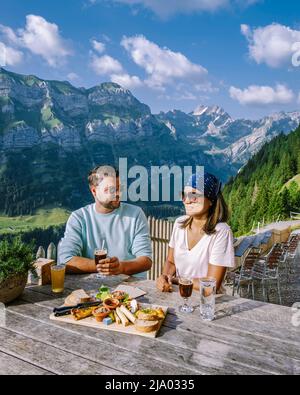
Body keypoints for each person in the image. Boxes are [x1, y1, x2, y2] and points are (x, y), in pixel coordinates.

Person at [58, 165, 152, 276]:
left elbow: (146, 261)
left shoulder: (136, 214)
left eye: (119, 188)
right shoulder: (79, 218)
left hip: (131, 288)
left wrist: (120, 268)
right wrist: (105, 267)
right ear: (94, 191)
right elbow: (65, 260)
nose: (117, 194)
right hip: (91, 287)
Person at [156, 171, 235, 293]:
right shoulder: (179, 224)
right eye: (184, 195)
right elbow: (171, 262)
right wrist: (165, 277)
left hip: (208, 303)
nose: (186, 201)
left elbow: (211, 286)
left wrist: (178, 280)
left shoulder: (221, 232)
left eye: (193, 195)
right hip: (179, 296)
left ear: (211, 201)